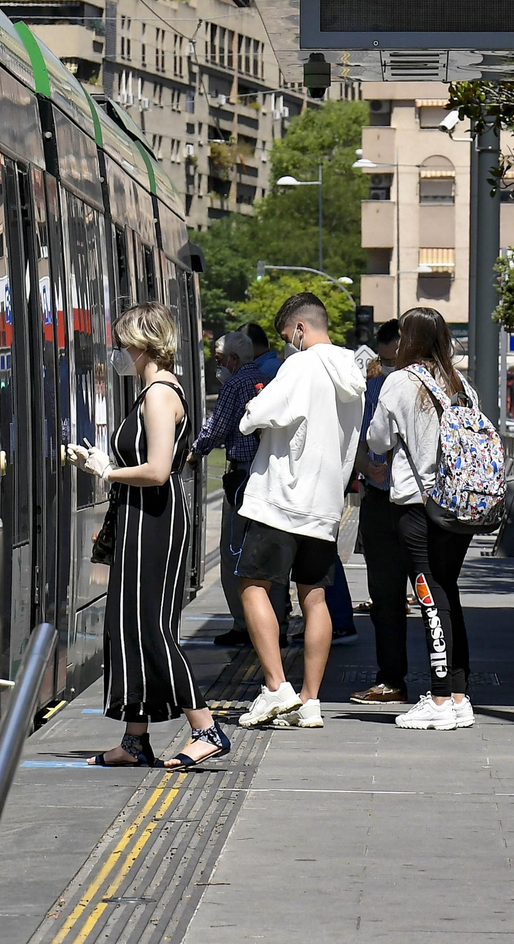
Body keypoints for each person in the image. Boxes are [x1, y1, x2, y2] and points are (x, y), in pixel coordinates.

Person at [68, 303, 231, 769]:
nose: (118, 352)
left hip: (154, 518)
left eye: (123, 344)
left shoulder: (159, 394)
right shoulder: (152, 392)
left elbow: (158, 470)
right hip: (140, 516)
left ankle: (205, 728)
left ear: (143, 345)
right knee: (128, 625)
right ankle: (135, 740)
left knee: (150, 627)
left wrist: (106, 470)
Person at [233, 293, 366, 729]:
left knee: (252, 585)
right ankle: (310, 700)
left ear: (301, 329)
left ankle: (276, 687)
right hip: (325, 505)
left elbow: (255, 416)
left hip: (282, 499)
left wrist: (253, 405)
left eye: (287, 335)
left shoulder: (301, 365)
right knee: (315, 596)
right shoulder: (353, 373)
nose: (287, 343)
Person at [366, 307, 477, 731]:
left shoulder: (400, 381)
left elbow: (378, 439)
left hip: (418, 505)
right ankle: (459, 697)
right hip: (458, 506)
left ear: (407, 339)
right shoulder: (460, 382)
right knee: (447, 591)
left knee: (429, 595)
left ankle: (440, 698)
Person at [187, 330, 290, 647]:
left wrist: (195, 453)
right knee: (268, 554)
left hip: (243, 478)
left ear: (233, 359)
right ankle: (277, 623)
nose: (218, 367)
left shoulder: (235, 385)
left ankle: (245, 624)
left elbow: (216, 427)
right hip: (269, 475)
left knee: (234, 553)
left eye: (219, 360)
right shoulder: (265, 378)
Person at [350, 319, 413, 705]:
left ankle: (398, 680)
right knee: (426, 596)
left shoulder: (380, 388)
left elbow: (370, 440)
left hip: (396, 502)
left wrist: (370, 465)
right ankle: (448, 687)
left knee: (393, 598)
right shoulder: (452, 386)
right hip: (413, 504)